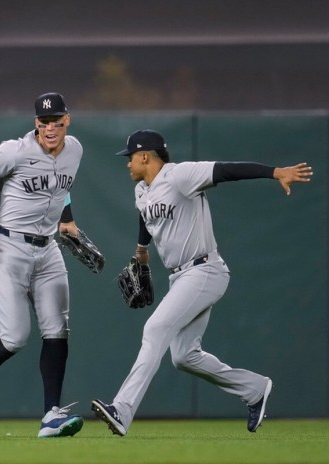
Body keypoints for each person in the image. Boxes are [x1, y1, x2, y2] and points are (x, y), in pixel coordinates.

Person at [91, 129, 313, 436]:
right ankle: (255, 389)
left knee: (154, 329)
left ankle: (122, 410)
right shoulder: (141, 189)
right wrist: (141, 251)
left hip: (204, 270)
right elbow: (145, 216)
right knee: (183, 356)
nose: (127, 163)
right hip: (179, 277)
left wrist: (274, 173)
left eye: (130, 157)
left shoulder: (180, 176)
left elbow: (227, 170)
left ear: (145, 156)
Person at [0, 92, 85, 438]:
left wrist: (68, 218)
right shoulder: (15, 150)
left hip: (48, 249)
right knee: (15, 337)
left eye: (55, 121)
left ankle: (51, 415)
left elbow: (60, 188)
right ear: (36, 124)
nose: (49, 128)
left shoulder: (74, 149)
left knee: (57, 329)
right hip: (7, 246)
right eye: (43, 122)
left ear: (67, 120)